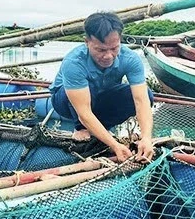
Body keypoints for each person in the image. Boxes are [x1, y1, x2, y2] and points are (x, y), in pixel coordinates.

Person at [49, 11, 154, 163]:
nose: (108, 56)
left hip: (101, 97)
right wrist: (114, 145)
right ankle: (81, 128)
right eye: (101, 50)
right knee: (88, 90)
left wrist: (146, 138)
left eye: (114, 48)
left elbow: (141, 101)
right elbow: (84, 111)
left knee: (148, 95)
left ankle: (100, 129)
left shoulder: (130, 58)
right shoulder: (74, 62)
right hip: (65, 101)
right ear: (87, 42)